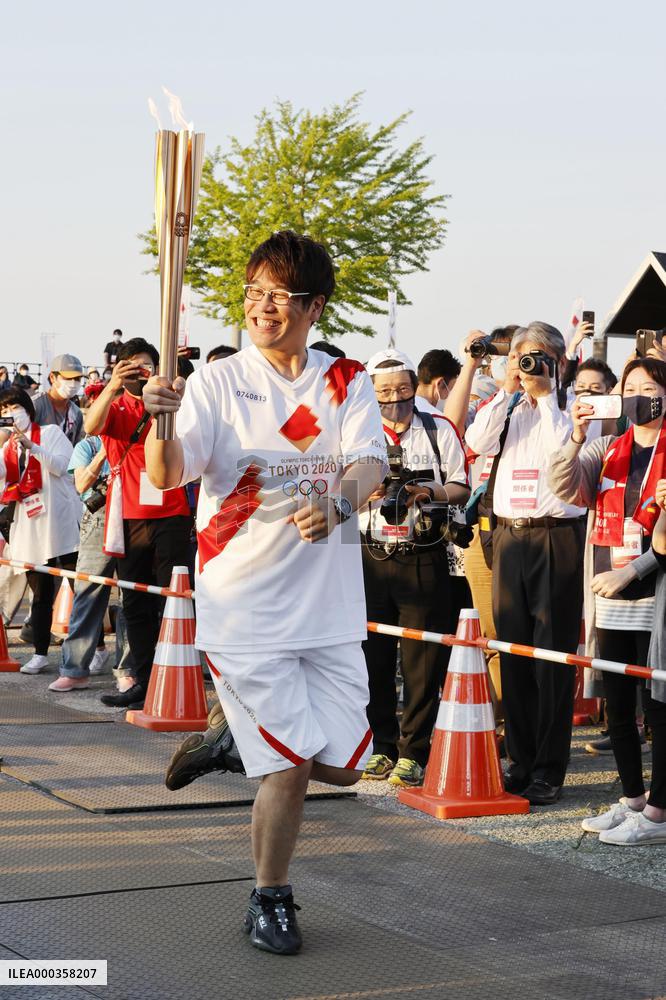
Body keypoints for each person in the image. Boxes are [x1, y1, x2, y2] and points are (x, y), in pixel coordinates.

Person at [142, 230, 386, 956]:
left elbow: (370, 460)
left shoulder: (344, 380)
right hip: (245, 605)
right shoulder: (219, 383)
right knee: (289, 765)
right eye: (254, 293)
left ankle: (227, 739)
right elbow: (167, 474)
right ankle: (269, 899)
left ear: (314, 307)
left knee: (343, 765)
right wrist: (159, 418)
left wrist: (341, 503)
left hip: (330, 606)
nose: (262, 307)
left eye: (279, 295)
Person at [465, 322, 586, 806]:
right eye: (522, 356)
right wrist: (507, 388)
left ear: (557, 360)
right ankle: (519, 760)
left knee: (551, 657)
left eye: (538, 357)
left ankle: (550, 768)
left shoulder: (574, 404)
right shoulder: (509, 406)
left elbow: (564, 455)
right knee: (512, 653)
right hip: (509, 536)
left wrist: (549, 393)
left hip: (556, 536)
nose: (529, 365)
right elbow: (477, 438)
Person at [549, 358, 666, 844]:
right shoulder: (605, 446)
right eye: (630, 387)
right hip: (608, 593)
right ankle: (633, 798)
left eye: (650, 387)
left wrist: (631, 572)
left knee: (658, 704)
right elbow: (561, 488)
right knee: (617, 705)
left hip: (655, 595)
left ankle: (659, 812)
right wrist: (575, 436)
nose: (639, 395)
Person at [359, 348, 470, 788]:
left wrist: (429, 492)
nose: (394, 399)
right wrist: (361, 493)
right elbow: (333, 485)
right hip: (370, 554)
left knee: (423, 660)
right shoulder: (359, 432)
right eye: (384, 392)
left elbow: (463, 486)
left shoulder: (438, 428)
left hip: (424, 552)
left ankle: (414, 750)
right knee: (374, 657)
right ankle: (381, 745)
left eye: (402, 389)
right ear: (370, 393)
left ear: (414, 387)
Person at [84, 337, 193, 708]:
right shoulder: (117, 406)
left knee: (177, 602)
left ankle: (181, 680)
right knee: (135, 605)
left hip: (173, 513)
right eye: (129, 366)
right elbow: (90, 425)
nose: (137, 373)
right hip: (130, 517)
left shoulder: (174, 403)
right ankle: (144, 683)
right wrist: (113, 384)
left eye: (144, 366)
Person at [0, 387, 80, 674]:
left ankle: (95, 647)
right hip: (30, 528)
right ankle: (41, 653)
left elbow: (62, 466)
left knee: (79, 587)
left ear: (26, 409)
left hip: (60, 523)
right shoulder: (7, 447)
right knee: (41, 594)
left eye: (13, 407)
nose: (10, 414)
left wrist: (32, 447)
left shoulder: (49, 434)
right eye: (3, 411)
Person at [47, 434, 133, 691]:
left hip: (135, 517)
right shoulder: (89, 445)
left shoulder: (138, 438)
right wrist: (106, 450)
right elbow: (81, 484)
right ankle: (74, 669)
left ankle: (127, 670)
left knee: (132, 597)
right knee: (87, 594)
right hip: (98, 518)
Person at [34, 354, 84, 446]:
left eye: (77, 379)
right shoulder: (34, 405)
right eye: (68, 378)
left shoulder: (77, 414)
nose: (73, 383)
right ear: (52, 377)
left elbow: (76, 447)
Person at [416, 349, 461, 413]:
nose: (449, 396)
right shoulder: (434, 418)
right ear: (440, 383)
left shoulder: (403, 409)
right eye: (451, 390)